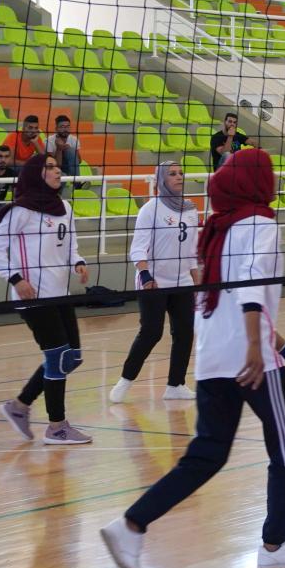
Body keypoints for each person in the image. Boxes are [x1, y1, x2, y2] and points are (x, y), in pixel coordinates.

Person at [99, 147, 285, 568]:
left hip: (213, 360)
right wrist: (261, 351)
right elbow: (251, 288)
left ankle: (130, 525)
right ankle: (275, 545)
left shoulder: (218, 228)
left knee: (206, 455)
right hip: (250, 359)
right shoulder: (260, 224)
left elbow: (228, 300)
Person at [0, 153, 93, 446]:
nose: (57, 170)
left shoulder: (65, 207)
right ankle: (57, 426)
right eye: (50, 167)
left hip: (60, 293)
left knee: (71, 358)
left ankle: (19, 406)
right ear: (36, 174)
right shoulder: (21, 210)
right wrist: (16, 279)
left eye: (58, 166)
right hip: (34, 296)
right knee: (58, 357)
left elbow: (70, 243)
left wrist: (78, 262)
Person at [111, 163, 203, 404]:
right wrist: (145, 276)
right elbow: (137, 248)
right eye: (172, 174)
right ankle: (125, 380)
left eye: (181, 172)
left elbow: (192, 250)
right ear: (161, 179)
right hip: (155, 281)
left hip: (182, 280)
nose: (179, 177)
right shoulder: (151, 209)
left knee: (184, 333)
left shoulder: (191, 209)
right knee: (151, 332)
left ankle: (176, 385)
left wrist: (197, 280)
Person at [48, 115, 83, 182]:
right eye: (62, 127)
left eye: (67, 127)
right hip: (54, 169)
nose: (65, 129)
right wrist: (59, 149)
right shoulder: (49, 141)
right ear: (56, 129)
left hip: (69, 168)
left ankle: (77, 183)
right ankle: (78, 184)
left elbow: (79, 161)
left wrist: (71, 150)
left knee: (70, 150)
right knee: (62, 175)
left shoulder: (74, 139)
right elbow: (55, 165)